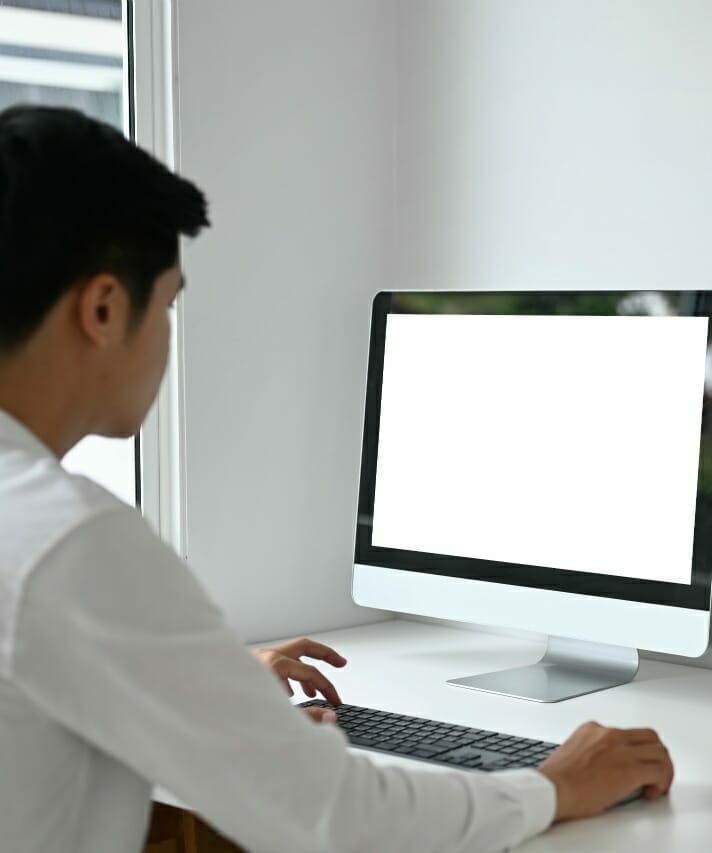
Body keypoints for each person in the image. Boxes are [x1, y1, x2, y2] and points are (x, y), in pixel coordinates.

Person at [0, 104, 674, 853]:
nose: (165, 337)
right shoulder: (71, 542)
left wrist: (214, 690)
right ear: (101, 307)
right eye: (167, 305)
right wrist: (555, 786)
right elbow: (335, 815)